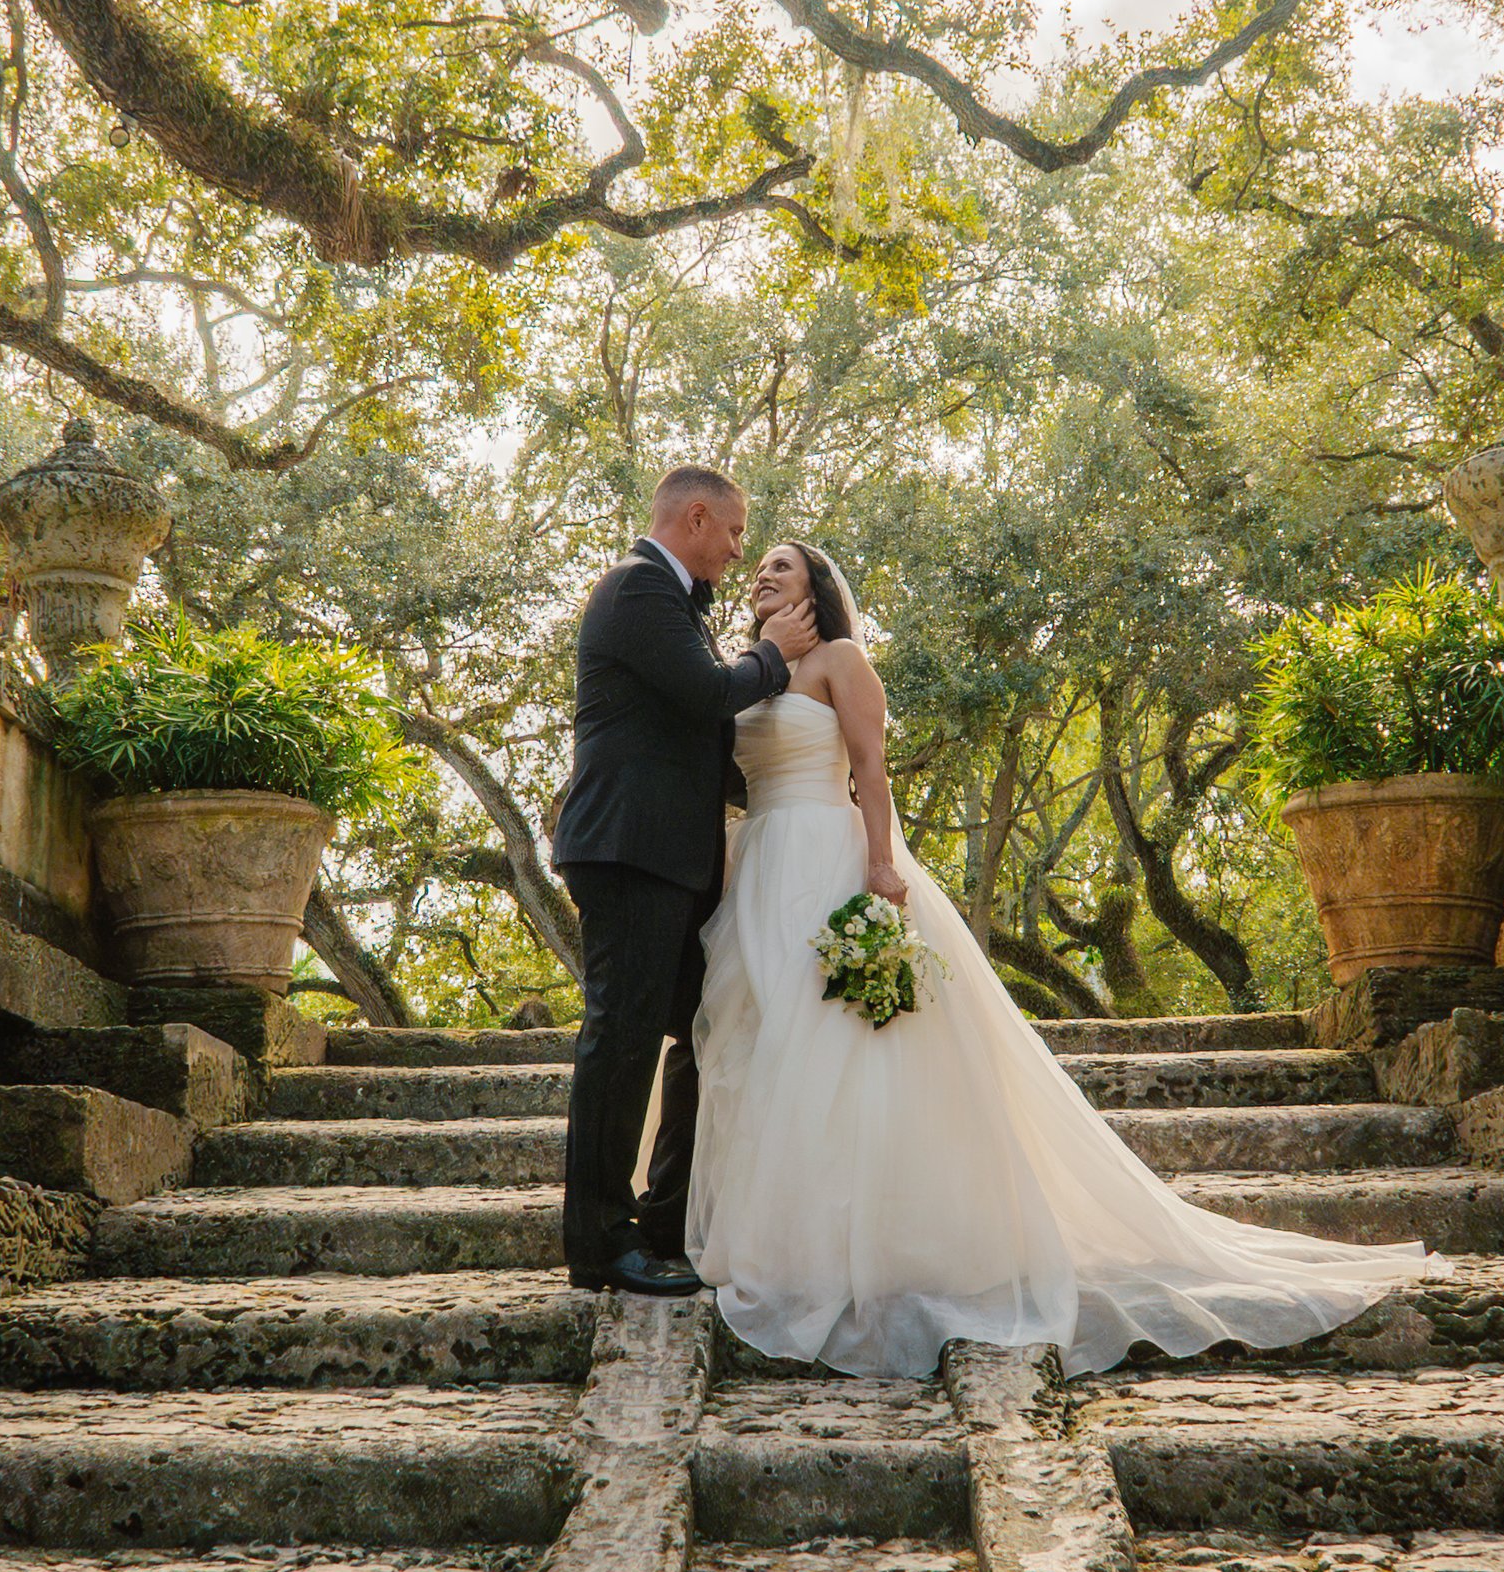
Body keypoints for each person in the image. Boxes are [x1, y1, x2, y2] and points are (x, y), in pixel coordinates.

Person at [688, 538, 1431, 1379]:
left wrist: (881, 867)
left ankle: (876, 1250)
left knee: (840, 1044)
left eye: (780, 567)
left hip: (828, 854)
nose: (763, 575)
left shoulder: (840, 659)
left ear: (815, 588)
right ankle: (786, 1244)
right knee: (767, 1048)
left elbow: (870, 768)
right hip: (760, 871)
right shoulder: (747, 667)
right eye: (759, 569)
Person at [552, 468, 821, 1295]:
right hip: (630, 854)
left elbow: (697, 744)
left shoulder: (670, 605)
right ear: (696, 518)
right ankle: (600, 1245)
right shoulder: (637, 589)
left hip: (667, 860)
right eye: (735, 533)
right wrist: (773, 658)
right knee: (621, 1036)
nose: (740, 552)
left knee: (710, 1022)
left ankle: (667, 1216)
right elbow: (708, 696)